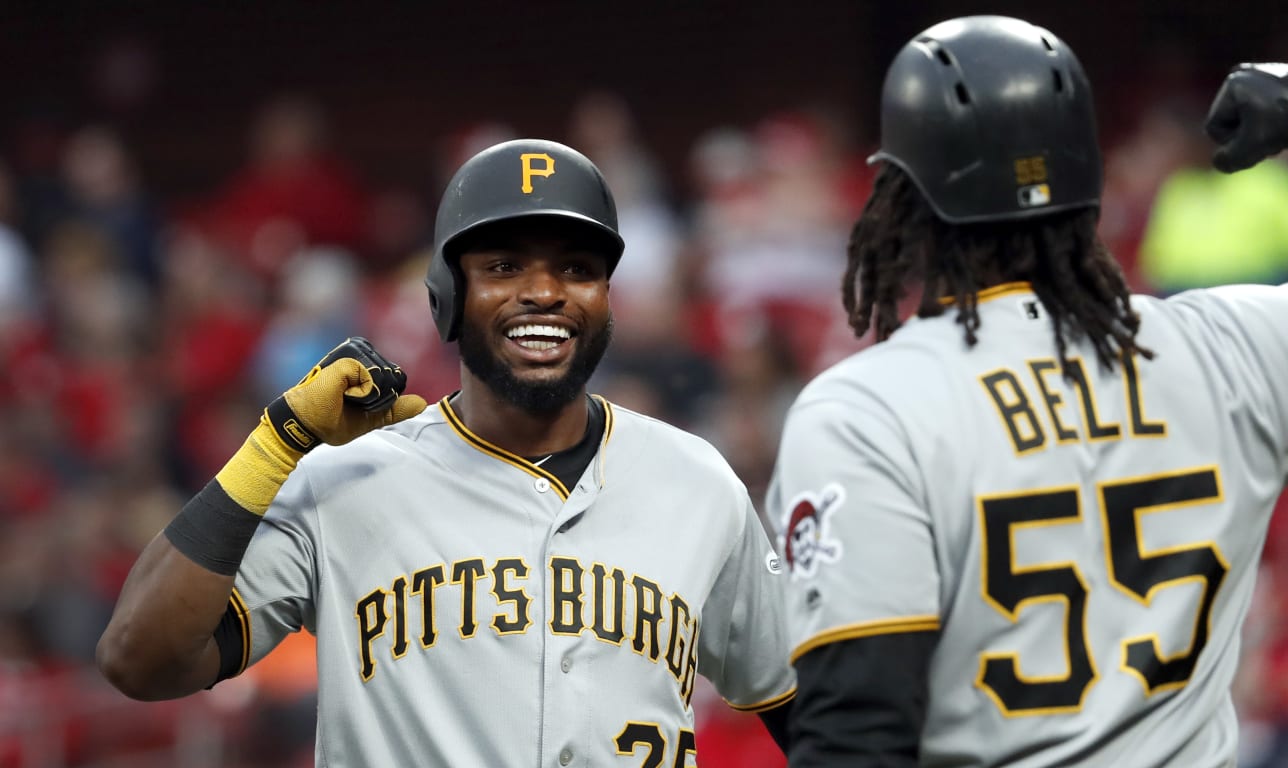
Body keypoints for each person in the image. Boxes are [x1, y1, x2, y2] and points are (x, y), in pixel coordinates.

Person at [766, 15, 1288, 767]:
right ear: (1090, 179)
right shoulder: (1236, 345)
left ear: (900, 199)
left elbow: (854, 740)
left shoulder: (869, 410)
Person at [97, 138, 796, 766]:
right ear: (447, 296)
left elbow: (814, 717)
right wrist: (272, 449)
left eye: (577, 268)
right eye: (504, 265)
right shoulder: (346, 483)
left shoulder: (696, 482)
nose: (545, 292)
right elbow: (140, 658)